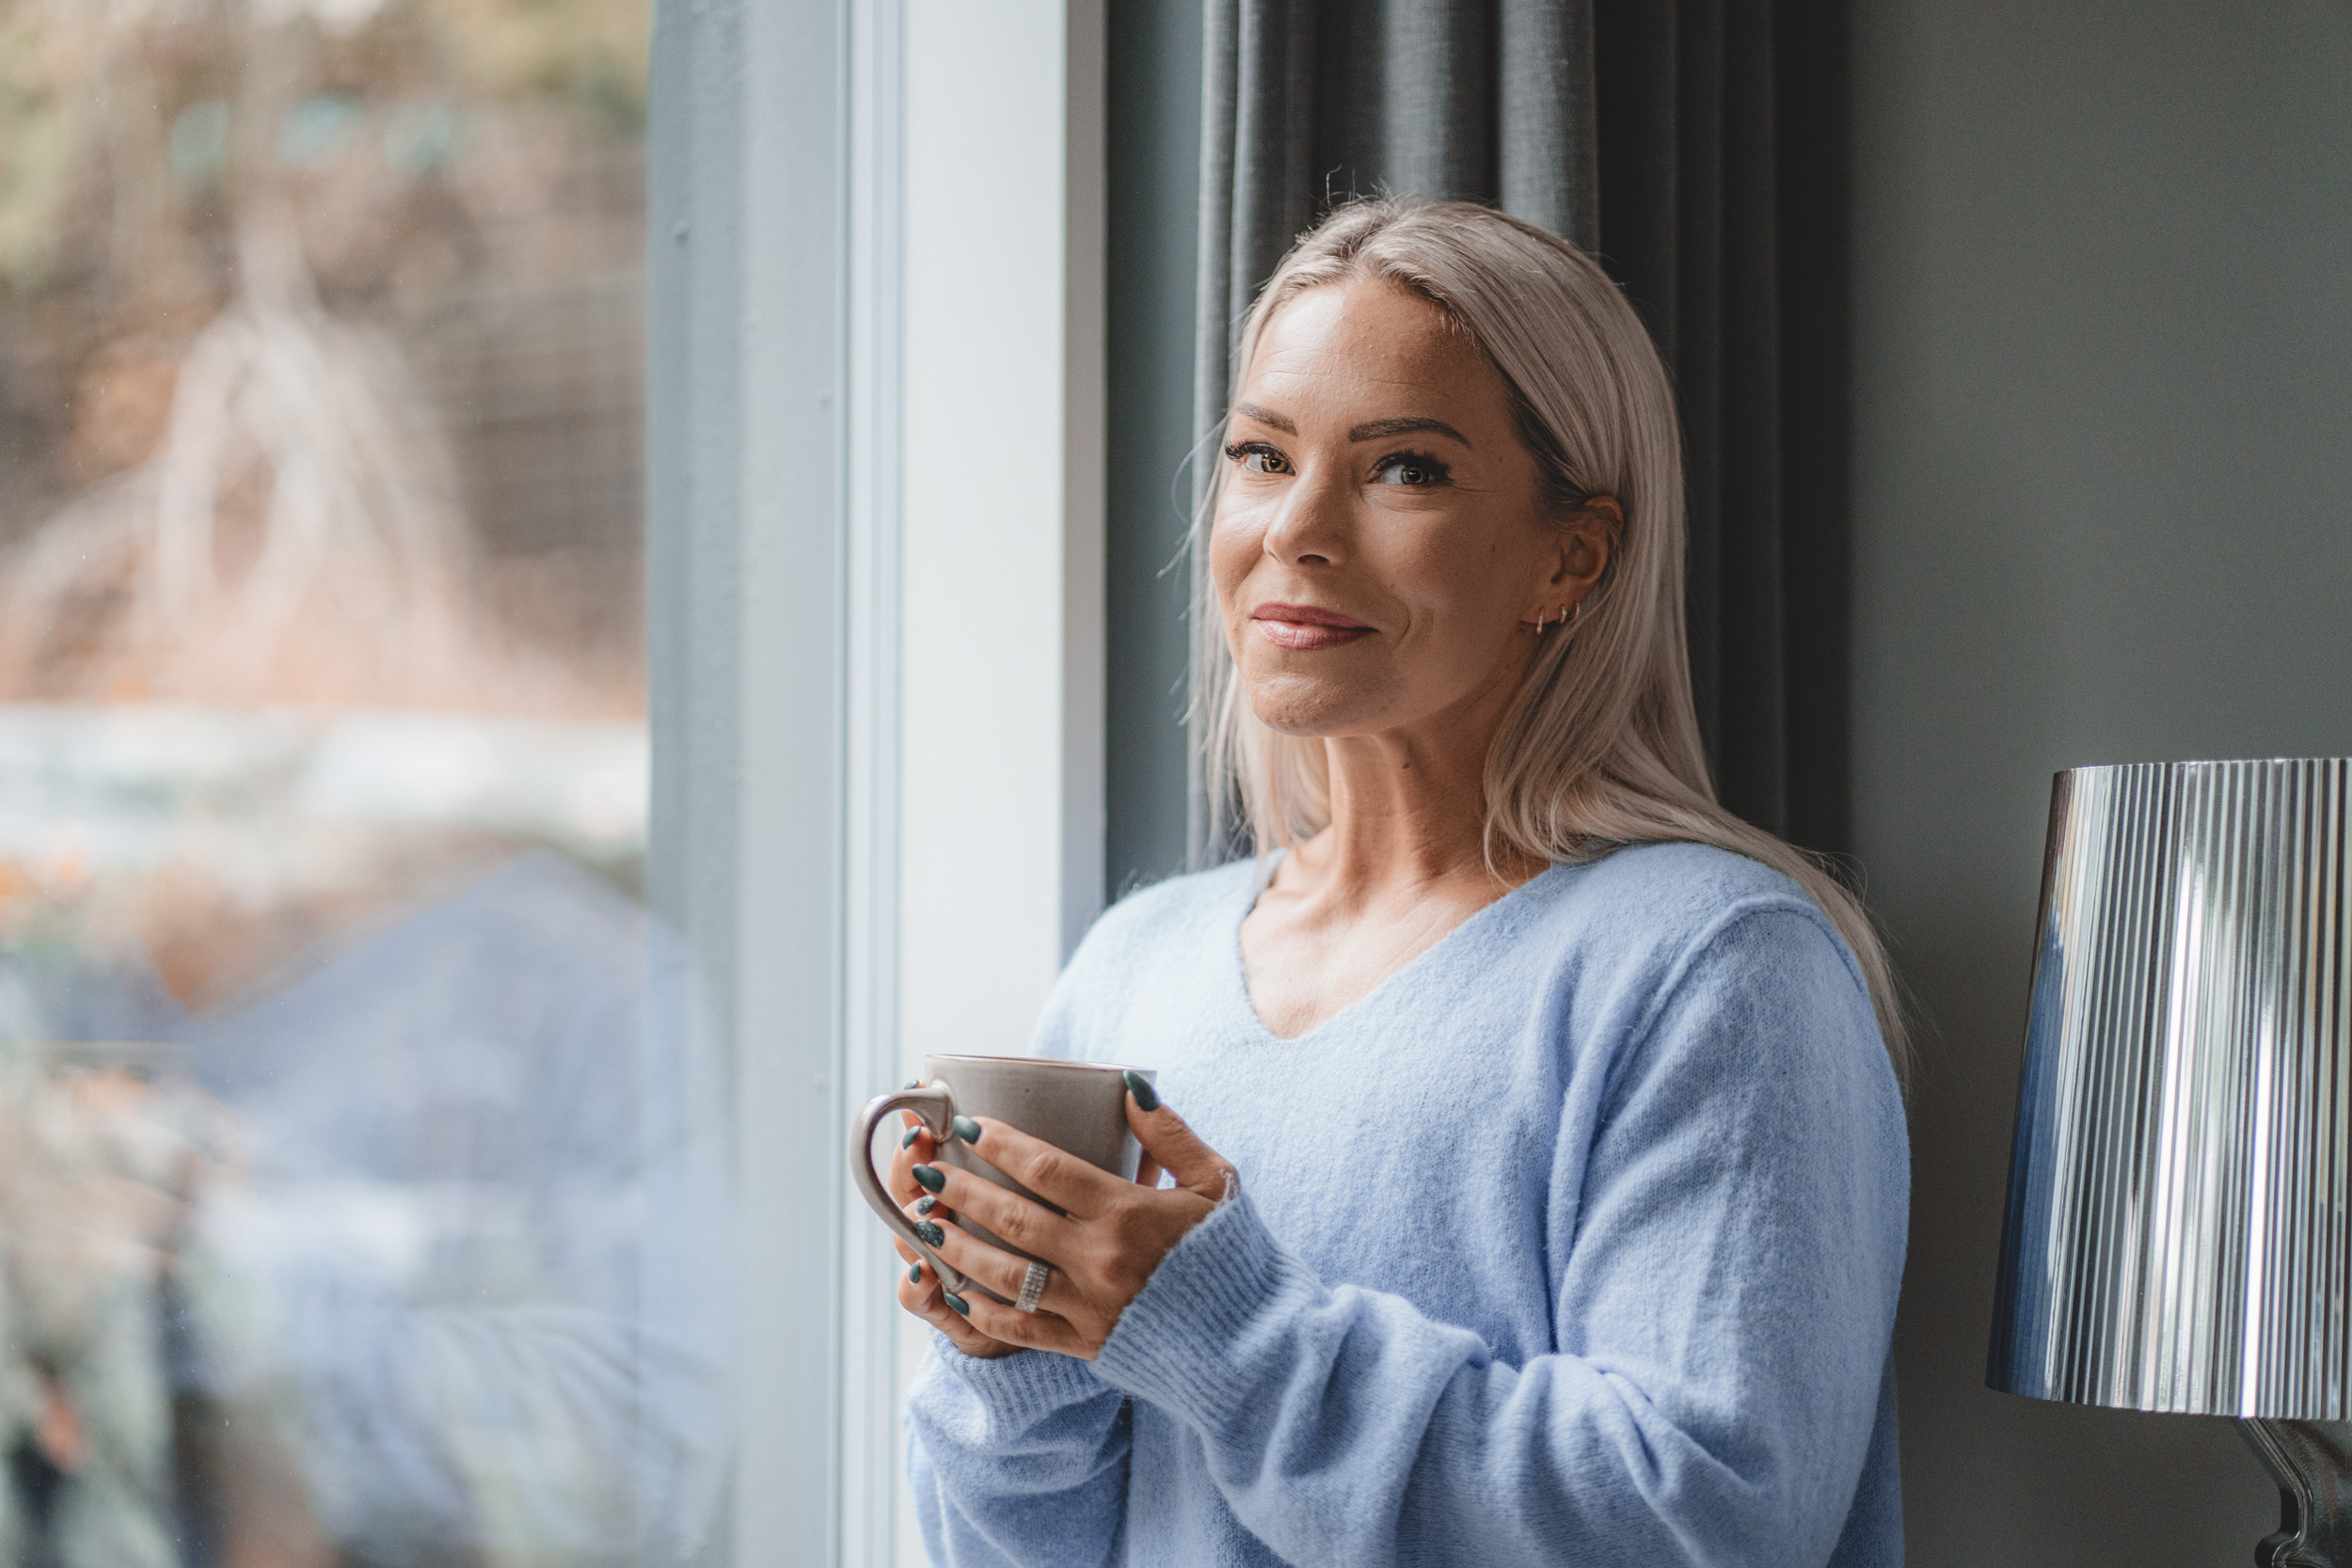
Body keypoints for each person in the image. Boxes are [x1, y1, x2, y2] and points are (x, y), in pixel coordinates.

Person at [885, 198, 1910, 1568]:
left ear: (1573, 557)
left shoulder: (1719, 969)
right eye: (1261, 455)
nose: (1296, 530)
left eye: (1405, 469)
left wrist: (1223, 1330)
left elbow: (1704, 1521)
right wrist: (1013, 1357)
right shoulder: (1134, 965)